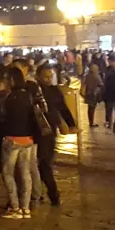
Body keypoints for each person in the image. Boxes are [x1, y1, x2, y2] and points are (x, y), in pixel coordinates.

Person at [0, 68, 41, 220]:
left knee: (7, 173)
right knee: (25, 174)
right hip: (28, 139)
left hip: (12, 139)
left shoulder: (10, 97)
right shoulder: (28, 95)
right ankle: (25, 208)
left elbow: (4, 118)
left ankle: (15, 207)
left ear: (12, 80)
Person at [33, 63, 76, 206]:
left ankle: (49, 193)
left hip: (49, 131)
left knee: (45, 163)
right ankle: (47, 194)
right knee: (39, 164)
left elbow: (63, 108)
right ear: (38, 76)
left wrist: (71, 124)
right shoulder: (33, 90)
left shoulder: (54, 90)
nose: (48, 79)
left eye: (50, 76)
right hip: (35, 132)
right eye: (45, 77)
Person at [81, 63, 104, 128]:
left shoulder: (87, 76)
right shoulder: (97, 76)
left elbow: (84, 83)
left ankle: (90, 122)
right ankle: (91, 123)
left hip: (88, 93)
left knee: (90, 108)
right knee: (92, 108)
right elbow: (101, 84)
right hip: (94, 94)